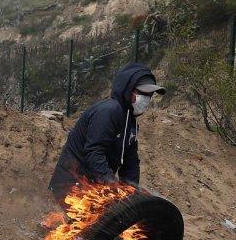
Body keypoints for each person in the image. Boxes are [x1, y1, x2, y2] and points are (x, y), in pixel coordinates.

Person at [48, 63, 165, 206]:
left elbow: (130, 163)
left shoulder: (131, 122)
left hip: (95, 185)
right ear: (128, 90)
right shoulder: (108, 111)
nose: (146, 99)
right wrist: (112, 184)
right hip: (72, 185)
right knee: (92, 225)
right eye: (142, 94)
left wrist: (132, 192)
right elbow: (94, 152)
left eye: (150, 95)